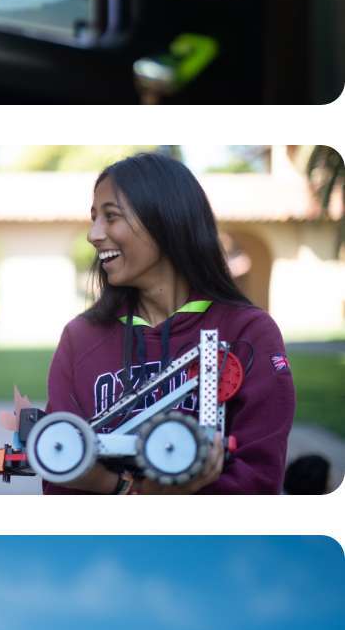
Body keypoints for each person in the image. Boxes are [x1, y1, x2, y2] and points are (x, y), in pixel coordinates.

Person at [24, 153, 297, 495]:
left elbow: (259, 480)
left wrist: (124, 489)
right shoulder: (80, 337)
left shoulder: (248, 333)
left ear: (165, 220)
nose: (94, 235)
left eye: (111, 217)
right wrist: (140, 492)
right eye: (94, 219)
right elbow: (59, 477)